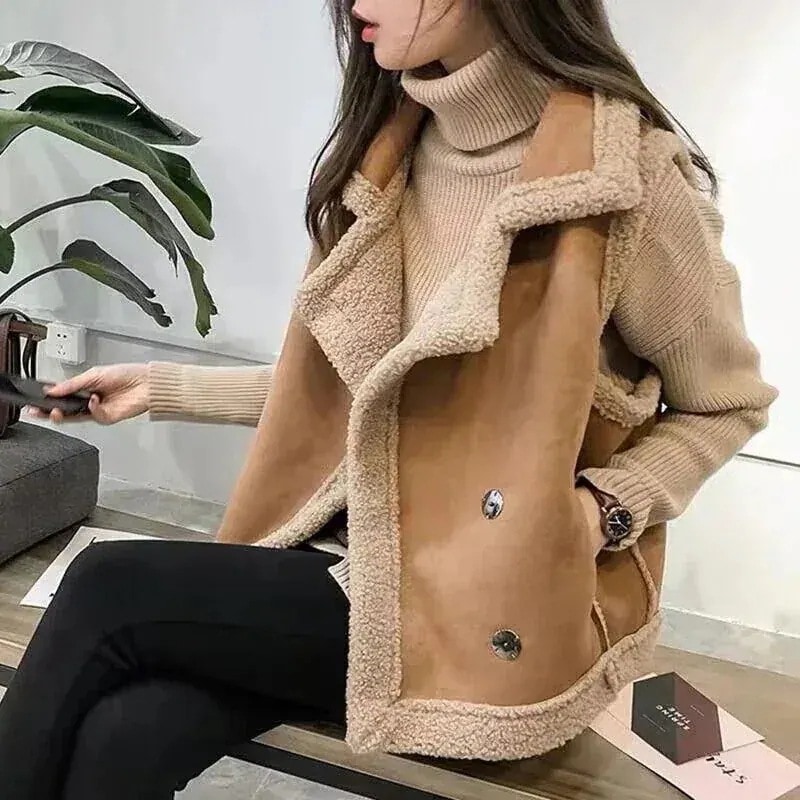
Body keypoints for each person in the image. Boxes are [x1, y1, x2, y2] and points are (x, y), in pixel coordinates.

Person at [0, 0, 778, 797]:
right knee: (125, 733)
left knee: (109, 587)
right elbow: (367, 396)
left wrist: (601, 510)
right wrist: (164, 388)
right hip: (338, 560)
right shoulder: (389, 153)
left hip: (472, 592)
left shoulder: (623, 178)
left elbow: (726, 403)